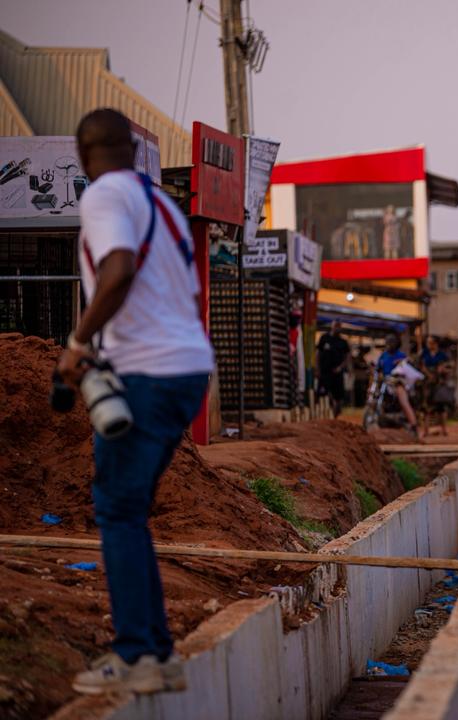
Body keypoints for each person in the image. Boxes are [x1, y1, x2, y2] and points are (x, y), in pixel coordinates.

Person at [57, 108, 214, 694]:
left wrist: (77, 344)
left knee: (118, 510)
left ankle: (136, 657)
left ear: (83, 153)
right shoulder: (164, 206)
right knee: (131, 509)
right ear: (133, 149)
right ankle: (158, 654)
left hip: (148, 374)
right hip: (188, 371)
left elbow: (118, 268)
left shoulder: (103, 198)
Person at [377, 333, 418, 432]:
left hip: (397, 382)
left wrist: (403, 362)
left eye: (392, 343)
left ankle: (413, 425)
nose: (389, 345)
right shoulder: (383, 355)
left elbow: (407, 366)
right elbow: (378, 368)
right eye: (388, 343)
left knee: (404, 401)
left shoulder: (401, 355)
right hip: (384, 382)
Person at [316, 320, 350, 417]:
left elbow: (347, 357)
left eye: (339, 326)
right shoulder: (324, 338)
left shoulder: (343, 342)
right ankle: (324, 414)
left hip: (337, 373)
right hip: (325, 372)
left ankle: (336, 415)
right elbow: (318, 354)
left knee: (338, 396)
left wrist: (341, 367)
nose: (337, 328)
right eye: (336, 326)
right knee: (323, 394)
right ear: (332, 326)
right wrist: (317, 369)